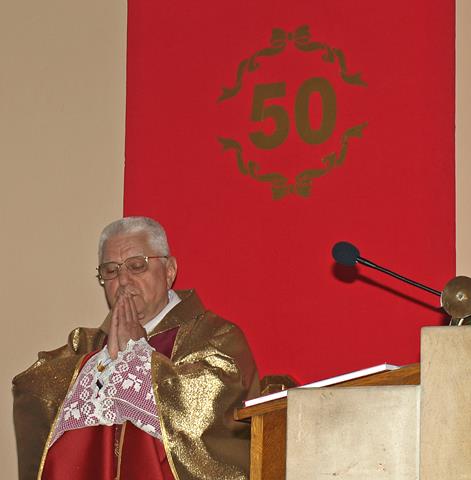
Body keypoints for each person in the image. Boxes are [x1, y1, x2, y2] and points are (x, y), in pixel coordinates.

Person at [13, 217, 259, 480]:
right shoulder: (86, 344)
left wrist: (137, 357)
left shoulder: (215, 336)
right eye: (111, 271)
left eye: (136, 266)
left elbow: (211, 414)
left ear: (169, 271)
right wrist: (103, 362)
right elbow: (31, 388)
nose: (123, 280)